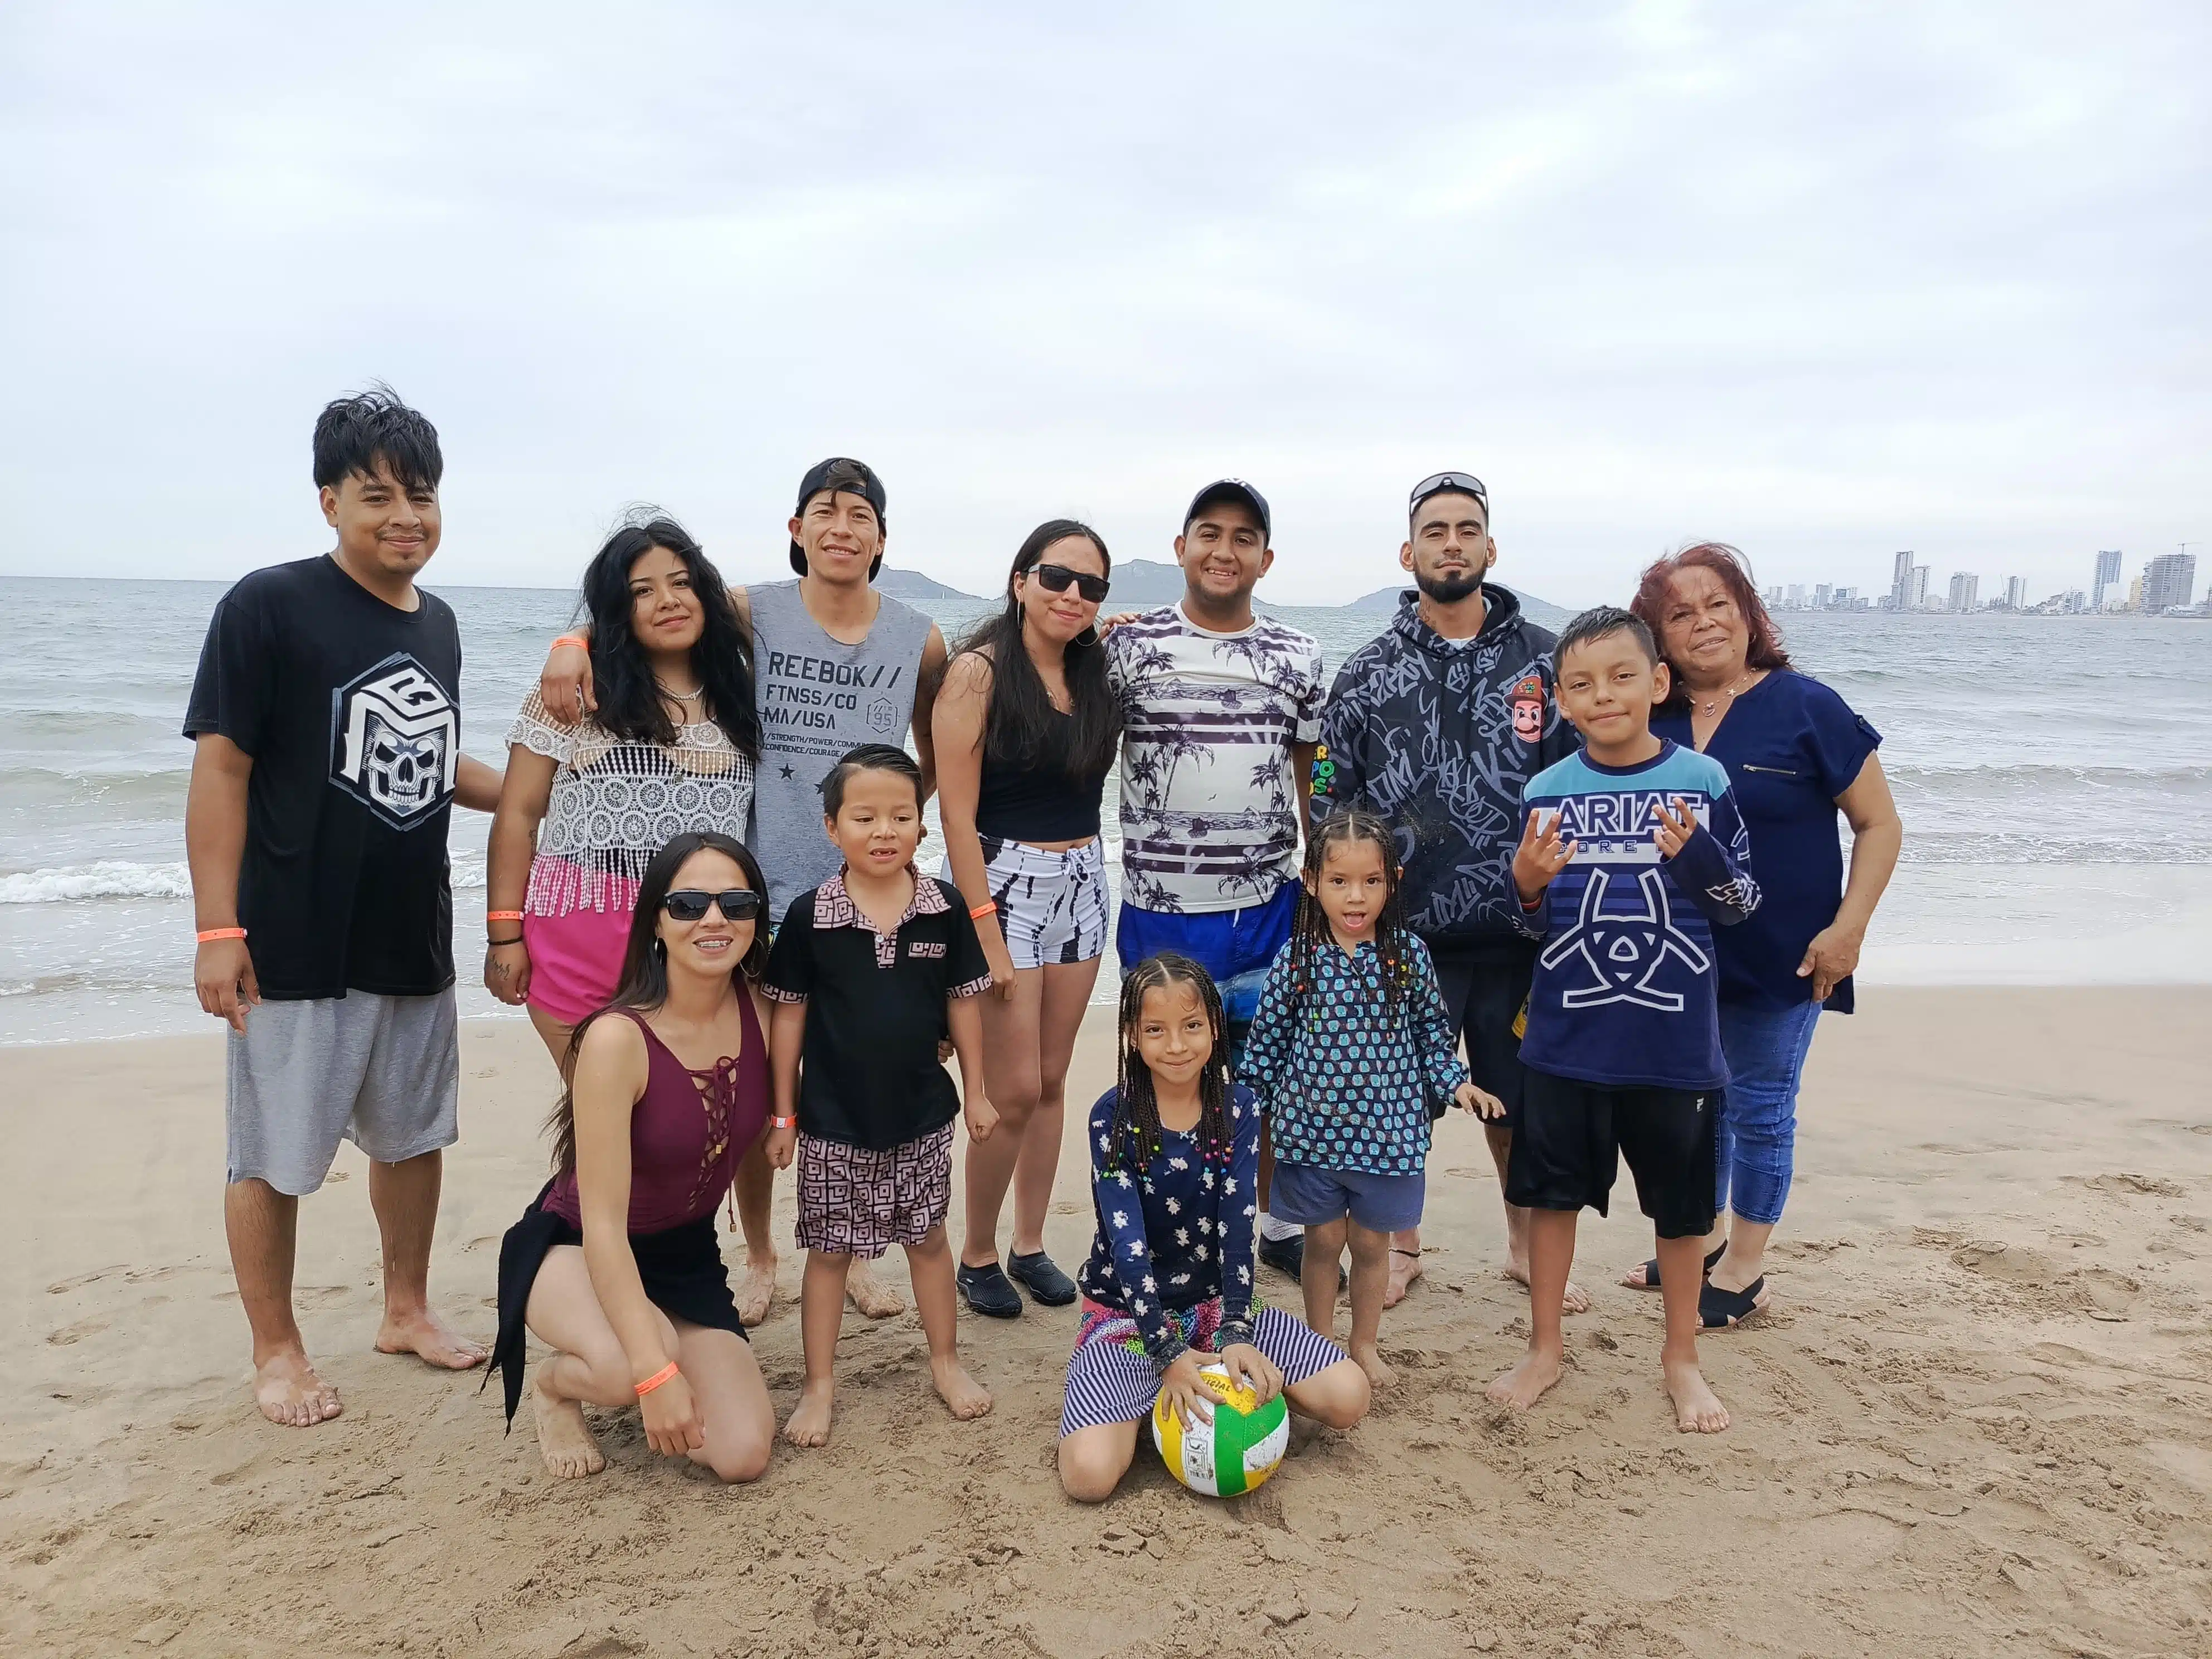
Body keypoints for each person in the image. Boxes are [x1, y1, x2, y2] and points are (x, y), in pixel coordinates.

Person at [537, 458, 947, 1327]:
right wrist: (570, 643)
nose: (843, 527)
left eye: (861, 515)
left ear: (883, 539)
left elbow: (938, 749)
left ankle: (850, 1253)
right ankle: (761, 1252)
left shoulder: (921, 638)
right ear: (796, 530)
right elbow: (641, 603)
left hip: (856, 895)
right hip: (752, 896)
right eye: (824, 512)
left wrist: (884, 835)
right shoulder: (749, 608)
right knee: (762, 1081)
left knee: (852, 1079)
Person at [183, 387, 503, 1428]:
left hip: (410, 930)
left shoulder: (442, 622)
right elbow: (223, 771)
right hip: (292, 939)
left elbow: (419, 749)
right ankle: (276, 1351)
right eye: (378, 496)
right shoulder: (267, 605)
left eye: (421, 495)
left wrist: (540, 782)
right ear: (329, 502)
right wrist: (217, 930)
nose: (405, 515)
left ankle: (403, 1310)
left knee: (414, 1138)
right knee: (272, 1152)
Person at [1309, 471, 1585, 1315]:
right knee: (1398, 1101)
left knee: (1515, 1103)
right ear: (1410, 552)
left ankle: (1518, 1246)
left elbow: (1582, 781)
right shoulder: (1366, 671)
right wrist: (1346, 912)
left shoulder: (1547, 660)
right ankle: (1404, 1251)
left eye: (1468, 529)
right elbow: (1330, 797)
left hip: (1519, 931)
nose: (1453, 543)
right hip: (1404, 934)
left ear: (1490, 549)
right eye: (1436, 531)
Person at [1488, 606, 1760, 1435]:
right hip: (1567, 1041)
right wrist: (1526, 884)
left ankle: (1682, 1356)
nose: (1603, 695)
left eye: (1621, 676)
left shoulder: (1702, 783)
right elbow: (1531, 928)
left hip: (1674, 1045)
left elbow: (1741, 905)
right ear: (1562, 702)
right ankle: (1546, 1348)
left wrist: (1700, 859)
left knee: (1680, 1214)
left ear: (1659, 683)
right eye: (1581, 684)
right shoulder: (1546, 790)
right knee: (1552, 1200)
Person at [1614, 545, 1901, 1326]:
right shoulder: (1652, 717)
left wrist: (1850, 930)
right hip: (1672, 963)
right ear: (1657, 639)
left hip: (1786, 954)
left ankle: (1743, 1268)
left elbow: (1878, 824)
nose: (1703, 623)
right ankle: (1698, 1243)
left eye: (1718, 604)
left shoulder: (1807, 706)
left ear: (1747, 613)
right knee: (1690, 1107)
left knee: (1761, 1106)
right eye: (1680, 613)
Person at [487, 832, 778, 1483]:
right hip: (576, 1247)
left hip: (684, 1255)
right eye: (688, 905)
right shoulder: (618, 1039)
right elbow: (605, 1231)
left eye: (735, 903)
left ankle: (651, 1340)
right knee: (630, 1370)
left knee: (740, 1455)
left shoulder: (764, 1008)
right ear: (654, 920)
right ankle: (558, 1388)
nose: (713, 920)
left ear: (756, 919)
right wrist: (654, 1372)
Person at [1104, 479, 1328, 1283]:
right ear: (1181, 547)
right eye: (1209, 533)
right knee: (1164, 1078)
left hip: (1269, 907)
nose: (1224, 550)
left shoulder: (1298, 655)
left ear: (1265, 559)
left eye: (1243, 537)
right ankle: (1169, 1226)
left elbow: (1313, 770)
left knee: (1263, 1083)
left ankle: (1270, 1222)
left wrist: (1326, 862)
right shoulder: (1126, 649)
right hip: (1161, 911)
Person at [1057, 954, 1371, 1502]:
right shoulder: (1112, 1117)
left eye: (1191, 1026)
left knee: (1349, 1399)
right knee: (1087, 1478)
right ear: (1132, 1034)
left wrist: (1236, 1333)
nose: (1176, 1045)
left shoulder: (1238, 1108)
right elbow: (1127, 1250)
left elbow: (1237, 1227)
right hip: (1129, 1318)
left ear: (1214, 1028)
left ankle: (1214, 1383)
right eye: (1155, 1030)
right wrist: (1166, 1351)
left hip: (1213, 1310)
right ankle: (1151, 1392)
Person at [761, 745, 998, 1447]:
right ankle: (818, 1386)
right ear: (832, 827)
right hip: (832, 1124)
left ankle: (945, 1363)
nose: (884, 830)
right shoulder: (810, 916)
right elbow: (788, 1017)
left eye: (901, 815)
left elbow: (963, 1004)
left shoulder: (942, 908)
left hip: (923, 1117)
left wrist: (976, 1092)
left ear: (921, 827)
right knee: (830, 1253)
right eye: (864, 816)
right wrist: (783, 1114)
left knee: (928, 1240)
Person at [1240, 812, 1501, 1389]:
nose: (1355, 897)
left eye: (1371, 882)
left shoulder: (1406, 955)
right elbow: (1266, 1046)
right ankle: (1317, 1346)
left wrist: (1456, 1082)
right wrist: (1240, 1106)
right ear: (1311, 882)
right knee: (1323, 1242)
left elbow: (1434, 1035)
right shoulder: (1297, 959)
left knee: (1368, 1244)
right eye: (1339, 882)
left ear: (1392, 881)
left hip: (1389, 1135)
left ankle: (1361, 1346)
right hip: (1310, 1134)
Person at [484, 514, 758, 1063]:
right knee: (601, 1124)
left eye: (681, 582)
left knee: (686, 1125)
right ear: (617, 608)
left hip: (703, 940)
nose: (669, 601)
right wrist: (503, 936)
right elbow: (518, 813)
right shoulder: (576, 692)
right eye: (642, 591)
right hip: (580, 937)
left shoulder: (742, 696)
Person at [933, 521, 1119, 1317]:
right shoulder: (977, 674)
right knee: (1007, 1088)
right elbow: (955, 817)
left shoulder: (1096, 670)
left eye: (1091, 585)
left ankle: (1030, 1243)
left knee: (1050, 1080)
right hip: (1001, 878)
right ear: (1019, 582)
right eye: (1055, 577)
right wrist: (982, 928)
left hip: (1084, 875)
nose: (1072, 595)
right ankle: (976, 1252)